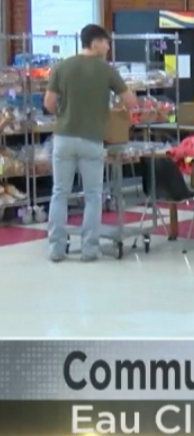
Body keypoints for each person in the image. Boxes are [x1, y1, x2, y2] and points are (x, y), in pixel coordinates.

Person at [44, 24, 137, 262]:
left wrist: (64, 114)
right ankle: (89, 249)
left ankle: (56, 249)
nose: (108, 47)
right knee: (93, 195)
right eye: (106, 42)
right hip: (92, 140)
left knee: (60, 193)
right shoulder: (106, 70)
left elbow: (49, 103)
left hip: (63, 138)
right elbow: (129, 101)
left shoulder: (62, 66)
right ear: (95, 43)